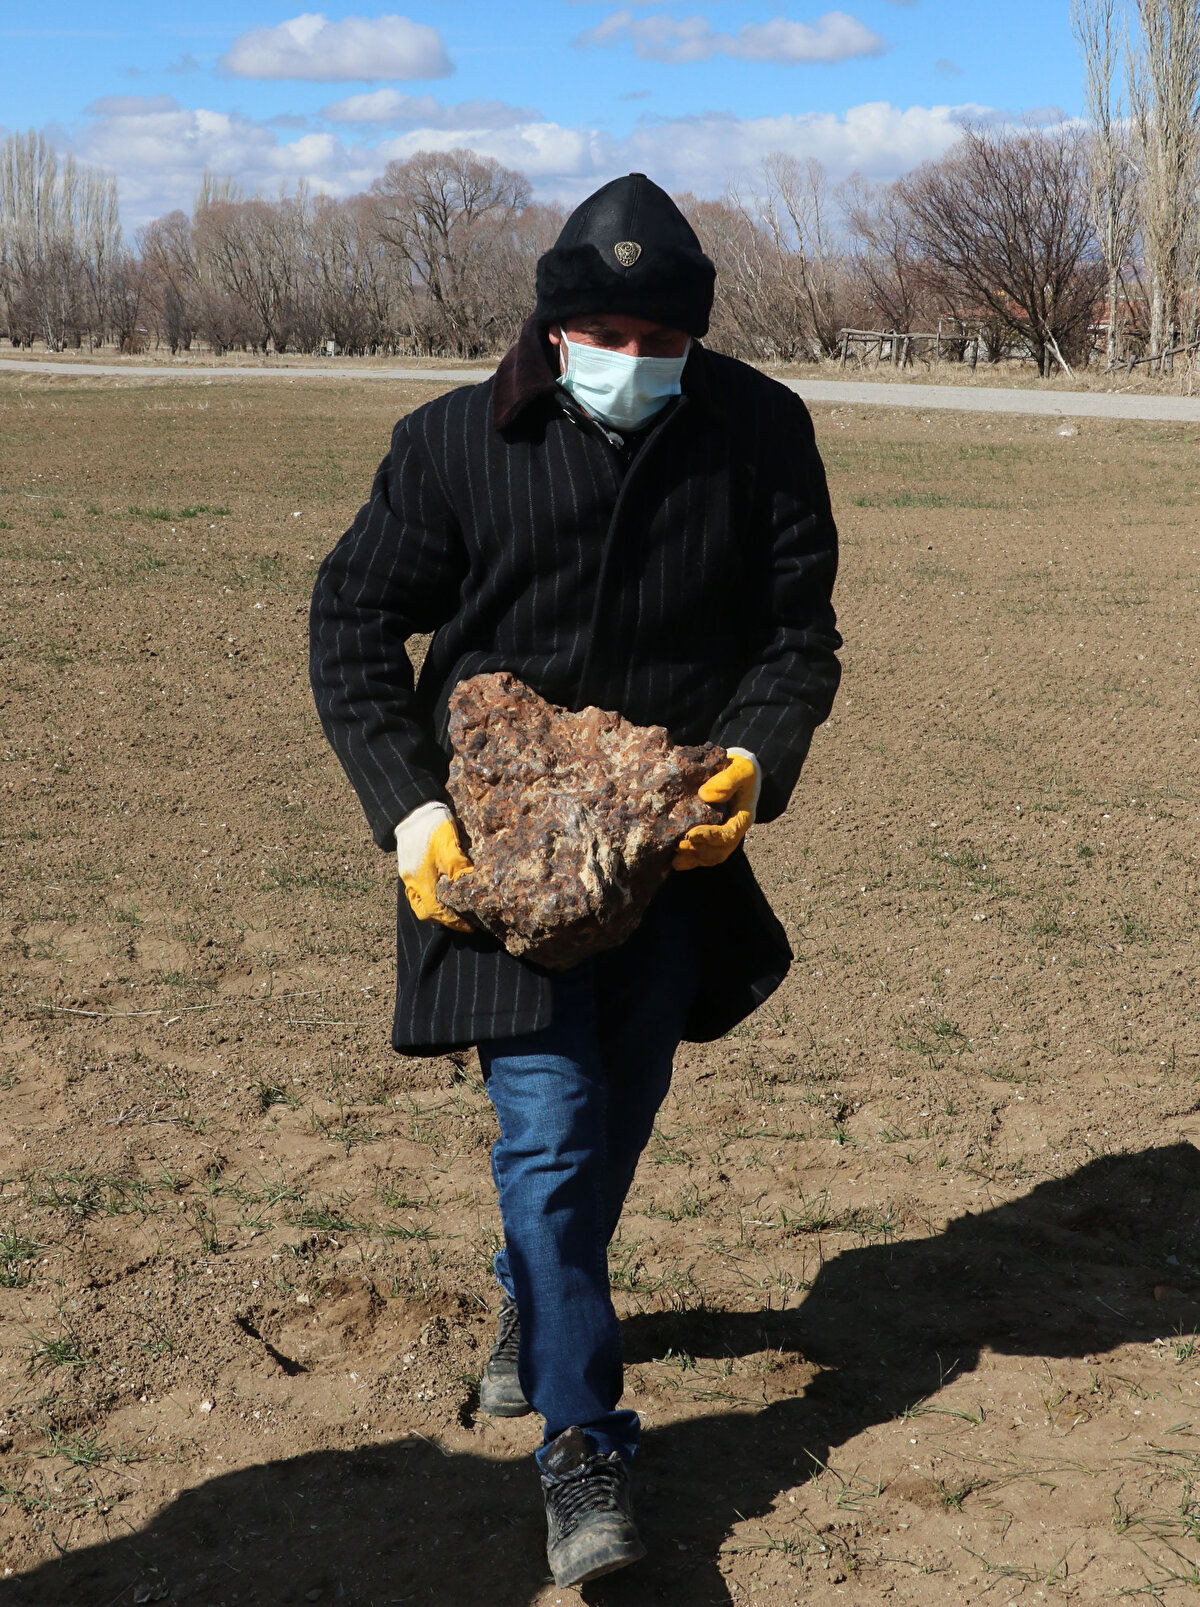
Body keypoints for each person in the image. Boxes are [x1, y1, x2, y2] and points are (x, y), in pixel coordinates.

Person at [309, 171, 842, 1588]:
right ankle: (582, 1437)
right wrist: (412, 817)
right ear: (548, 331)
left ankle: (530, 1311)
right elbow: (353, 620)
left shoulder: (759, 434)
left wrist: (748, 764)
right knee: (547, 1139)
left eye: (659, 339)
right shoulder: (449, 447)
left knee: (608, 1131)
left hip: (663, 866)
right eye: (599, 331)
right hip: (497, 874)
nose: (629, 358)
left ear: (696, 342)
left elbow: (799, 639)